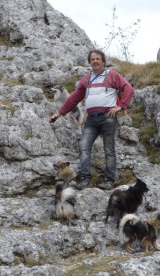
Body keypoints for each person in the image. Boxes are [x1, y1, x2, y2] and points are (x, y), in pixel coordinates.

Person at [49, 49, 134, 190]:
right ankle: (85, 179)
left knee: (109, 149)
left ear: (103, 61)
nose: (95, 61)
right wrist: (59, 113)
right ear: (89, 62)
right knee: (84, 146)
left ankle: (109, 180)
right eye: (92, 59)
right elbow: (74, 98)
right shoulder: (86, 79)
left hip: (108, 117)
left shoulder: (112, 75)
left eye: (98, 59)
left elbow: (128, 89)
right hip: (91, 119)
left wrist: (121, 106)